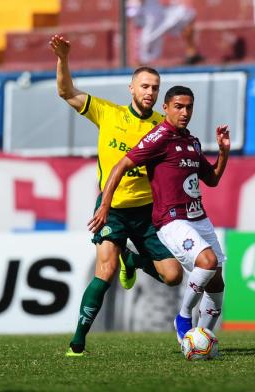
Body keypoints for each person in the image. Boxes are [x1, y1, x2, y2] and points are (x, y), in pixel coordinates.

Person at [49, 34, 183, 356]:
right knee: (105, 272)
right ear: (132, 89)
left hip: (148, 212)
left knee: (174, 275)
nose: (150, 92)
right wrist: (64, 58)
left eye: (155, 88)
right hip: (113, 210)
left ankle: (132, 259)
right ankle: (77, 343)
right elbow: (66, 92)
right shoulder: (108, 114)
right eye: (145, 86)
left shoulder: (163, 128)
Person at [89, 85, 230, 343]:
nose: (184, 112)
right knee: (207, 263)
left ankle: (203, 338)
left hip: (199, 219)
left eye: (189, 107)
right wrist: (105, 204)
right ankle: (184, 316)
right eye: (178, 106)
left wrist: (223, 152)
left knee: (217, 283)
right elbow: (121, 165)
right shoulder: (159, 137)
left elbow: (212, 180)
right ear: (165, 108)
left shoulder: (191, 141)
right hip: (172, 220)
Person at [127, 0, 204, 65]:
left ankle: (191, 53)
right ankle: (139, 73)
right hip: (145, 15)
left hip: (158, 11)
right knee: (144, 53)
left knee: (187, 14)